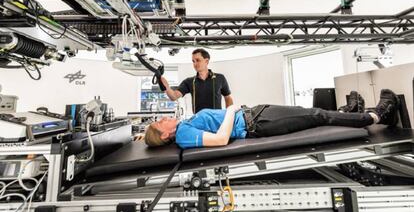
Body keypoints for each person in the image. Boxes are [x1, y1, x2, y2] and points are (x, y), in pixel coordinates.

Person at [144, 89, 400, 149]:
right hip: (256, 123)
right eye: (159, 123)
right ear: (165, 134)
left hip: (255, 114)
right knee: (317, 116)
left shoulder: (183, 128)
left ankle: (349, 112)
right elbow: (221, 139)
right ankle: (376, 115)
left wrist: (141, 135)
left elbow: (151, 137)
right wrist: (232, 111)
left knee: (310, 113)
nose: (163, 118)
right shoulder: (184, 136)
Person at [160, 48, 233, 113]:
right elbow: (173, 96)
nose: (195, 64)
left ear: (206, 61)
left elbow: (228, 97)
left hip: (216, 121)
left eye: (198, 60)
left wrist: (229, 115)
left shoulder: (220, 78)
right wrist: (166, 86)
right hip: (198, 122)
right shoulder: (189, 81)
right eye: (193, 61)